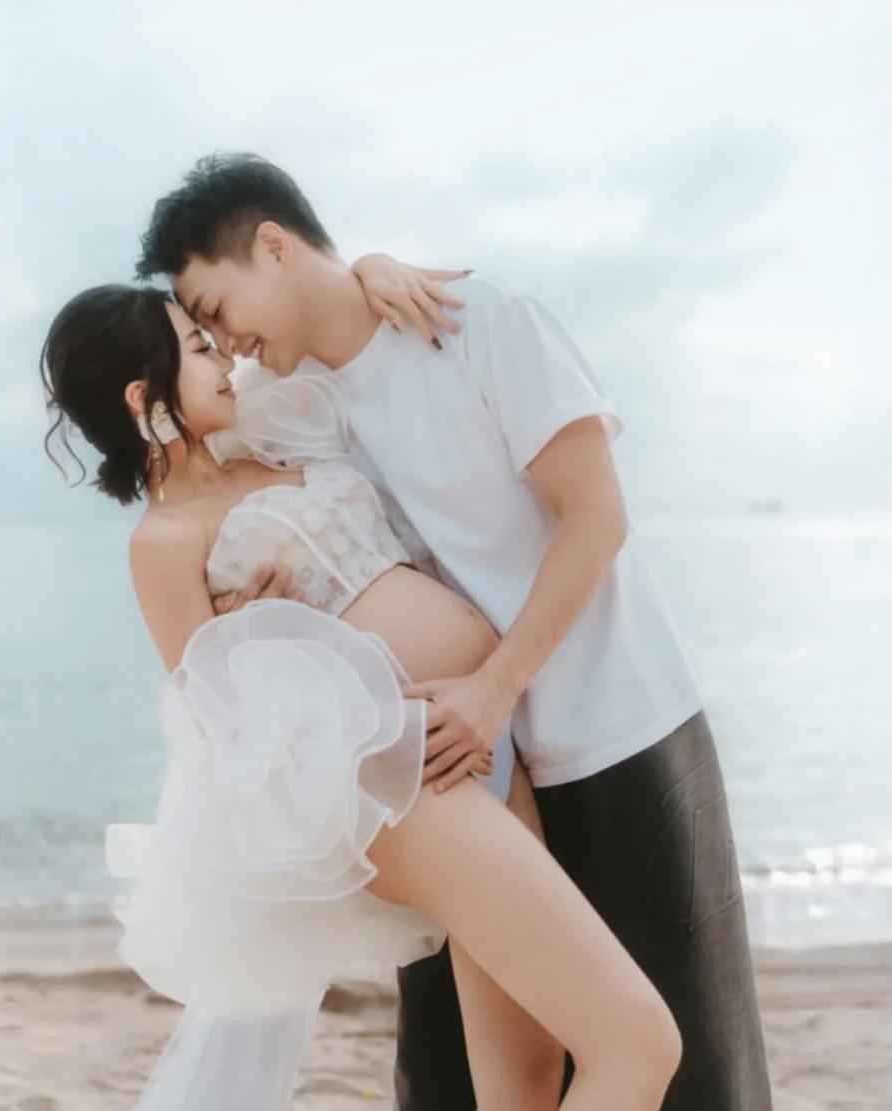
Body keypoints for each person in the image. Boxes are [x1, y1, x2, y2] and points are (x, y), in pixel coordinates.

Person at [133, 151, 774, 1111]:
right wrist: (254, 623)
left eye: (217, 310)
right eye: (205, 333)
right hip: (448, 772)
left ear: (273, 247)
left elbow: (595, 517)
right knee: (456, 1085)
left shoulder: (477, 323)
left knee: (688, 1074)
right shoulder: (288, 404)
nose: (226, 344)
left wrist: (494, 688)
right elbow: (195, 497)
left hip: (612, 736)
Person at [40, 274, 681, 1110]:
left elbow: (313, 312)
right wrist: (260, 637)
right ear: (142, 396)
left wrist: (371, 267)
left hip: (476, 741)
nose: (225, 359)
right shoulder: (164, 542)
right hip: (399, 786)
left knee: (524, 1078)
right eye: (198, 349)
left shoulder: (273, 432)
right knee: (638, 1043)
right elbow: (224, 734)